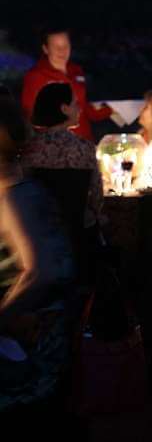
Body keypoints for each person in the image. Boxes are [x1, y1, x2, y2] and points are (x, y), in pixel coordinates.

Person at [0, 97, 75, 412]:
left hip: (29, 349)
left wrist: (3, 316)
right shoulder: (21, 184)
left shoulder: (14, 195)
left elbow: (38, 271)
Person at [20, 82, 105, 235]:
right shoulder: (84, 148)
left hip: (39, 232)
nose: (80, 109)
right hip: (78, 233)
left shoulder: (28, 148)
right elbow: (97, 198)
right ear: (64, 109)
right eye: (75, 104)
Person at [20, 28, 112, 142]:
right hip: (56, 145)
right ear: (45, 49)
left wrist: (112, 109)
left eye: (65, 45)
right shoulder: (35, 76)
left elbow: (84, 108)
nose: (62, 50)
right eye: (56, 47)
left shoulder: (76, 71)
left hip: (84, 141)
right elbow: (29, 115)